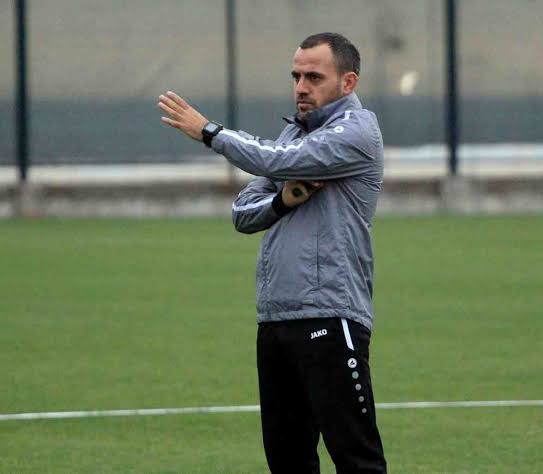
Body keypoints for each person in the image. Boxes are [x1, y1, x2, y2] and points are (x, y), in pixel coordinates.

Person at [158, 32, 387, 474]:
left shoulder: (357, 132)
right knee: (287, 460)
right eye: (296, 76)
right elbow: (243, 213)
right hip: (276, 319)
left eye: (314, 77)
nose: (301, 86)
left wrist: (210, 132)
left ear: (348, 82)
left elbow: (274, 161)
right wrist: (282, 202)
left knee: (357, 459)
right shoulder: (292, 134)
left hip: (330, 315)